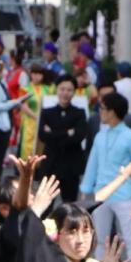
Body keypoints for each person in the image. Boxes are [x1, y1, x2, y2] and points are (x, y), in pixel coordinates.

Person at [80, 92, 131, 262]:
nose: (100, 112)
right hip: (101, 194)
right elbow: (92, 165)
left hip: (124, 194)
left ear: (112, 112)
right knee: (99, 238)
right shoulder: (100, 136)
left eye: (102, 109)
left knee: (130, 237)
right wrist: (86, 190)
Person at [38, 73, 89, 202]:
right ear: (57, 90)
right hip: (50, 164)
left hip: (71, 166)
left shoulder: (79, 113)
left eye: (69, 90)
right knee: (45, 205)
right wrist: (67, 132)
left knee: (70, 206)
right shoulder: (47, 112)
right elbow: (43, 136)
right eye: (62, 89)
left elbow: (79, 136)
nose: (65, 93)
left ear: (74, 92)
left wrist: (53, 132)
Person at [0, 56, 31, 180]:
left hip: (3, 121)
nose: (4, 71)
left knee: (0, 153)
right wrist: (14, 103)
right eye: (1, 69)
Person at [17, 63, 51, 161]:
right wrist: (36, 117)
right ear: (31, 74)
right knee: (27, 146)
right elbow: (24, 106)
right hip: (29, 121)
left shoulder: (47, 89)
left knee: (41, 147)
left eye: (39, 74)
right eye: (34, 73)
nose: (36, 76)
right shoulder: (25, 89)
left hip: (43, 122)